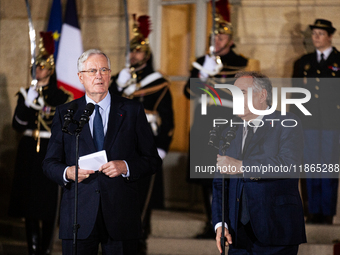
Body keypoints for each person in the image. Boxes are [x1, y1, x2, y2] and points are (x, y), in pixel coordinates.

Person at [42, 49, 162, 255]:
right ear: (81, 77)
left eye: (104, 69)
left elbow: (152, 160)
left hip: (121, 216)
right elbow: (49, 163)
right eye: (92, 70)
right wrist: (68, 172)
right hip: (78, 216)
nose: (99, 75)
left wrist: (126, 166)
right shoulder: (66, 113)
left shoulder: (132, 110)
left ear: (110, 74)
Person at [184, 3, 260, 239]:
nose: (217, 39)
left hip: (230, 124)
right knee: (207, 177)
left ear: (231, 38)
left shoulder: (243, 62)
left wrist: (208, 86)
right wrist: (202, 75)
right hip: (204, 125)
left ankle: (232, 221)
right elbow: (189, 92)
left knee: (228, 174)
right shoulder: (202, 62)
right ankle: (212, 222)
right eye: (214, 35)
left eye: (222, 35)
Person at [212, 72, 306, 254]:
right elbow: (219, 184)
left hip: (276, 230)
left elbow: (287, 164)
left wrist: (242, 166)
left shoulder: (287, 122)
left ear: (262, 95)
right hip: (236, 235)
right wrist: (220, 223)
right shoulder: (228, 132)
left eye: (242, 92)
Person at [110, 14, 174, 254]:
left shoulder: (159, 83)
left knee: (142, 200)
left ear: (147, 55)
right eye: (131, 51)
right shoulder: (120, 79)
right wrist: (117, 85)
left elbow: (167, 119)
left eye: (138, 51)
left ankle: (139, 242)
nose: (133, 55)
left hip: (145, 147)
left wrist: (161, 147)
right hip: (119, 146)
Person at [8, 32, 73, 255]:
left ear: (51, 70)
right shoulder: (27, 93)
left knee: (47, 204)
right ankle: (33, 248)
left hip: (50, 150)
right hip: (28, 150)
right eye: (36, 66)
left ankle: (45, 248)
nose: (38, 70)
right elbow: (17, 125)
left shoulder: (62, 97)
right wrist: (27, 103)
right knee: (29, 203)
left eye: (43, 66)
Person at [292, 19, 340, 224]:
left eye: (321, 33)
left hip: (332, 122)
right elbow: (294, 96)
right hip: (308, 122)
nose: (316, 37)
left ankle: (326, 212)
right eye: (314, 34)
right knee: (310, 165)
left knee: (328, 165)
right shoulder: (303, 62)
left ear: (330, 36)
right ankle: (312, 210)